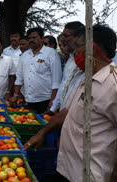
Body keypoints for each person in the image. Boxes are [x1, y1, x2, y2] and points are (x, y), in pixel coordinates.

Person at [23, 24, 117, 182]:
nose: (75, 53)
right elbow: (68, 111)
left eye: (78, 48)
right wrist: (43, 132)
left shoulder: (113, 85)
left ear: (92, 49)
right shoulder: (87, 79)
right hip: (68, 169)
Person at [10, 27, 62, 114]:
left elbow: (56, 80)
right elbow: (19, 78)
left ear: (41, 39)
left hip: (45, 100)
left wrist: (53, 100)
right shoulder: (24, 55)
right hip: (28, 100)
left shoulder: (51, 53)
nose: (31, 40)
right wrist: (16, 94)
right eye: (29, 38)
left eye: (34, 38)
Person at [47, 21, 85, 113]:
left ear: (79, 38)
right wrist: (53, 107)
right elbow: (63, 85)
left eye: (66, 36)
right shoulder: (70, 60)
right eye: (62, 36)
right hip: (63, 114)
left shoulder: (88, 62)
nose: (62, 39)